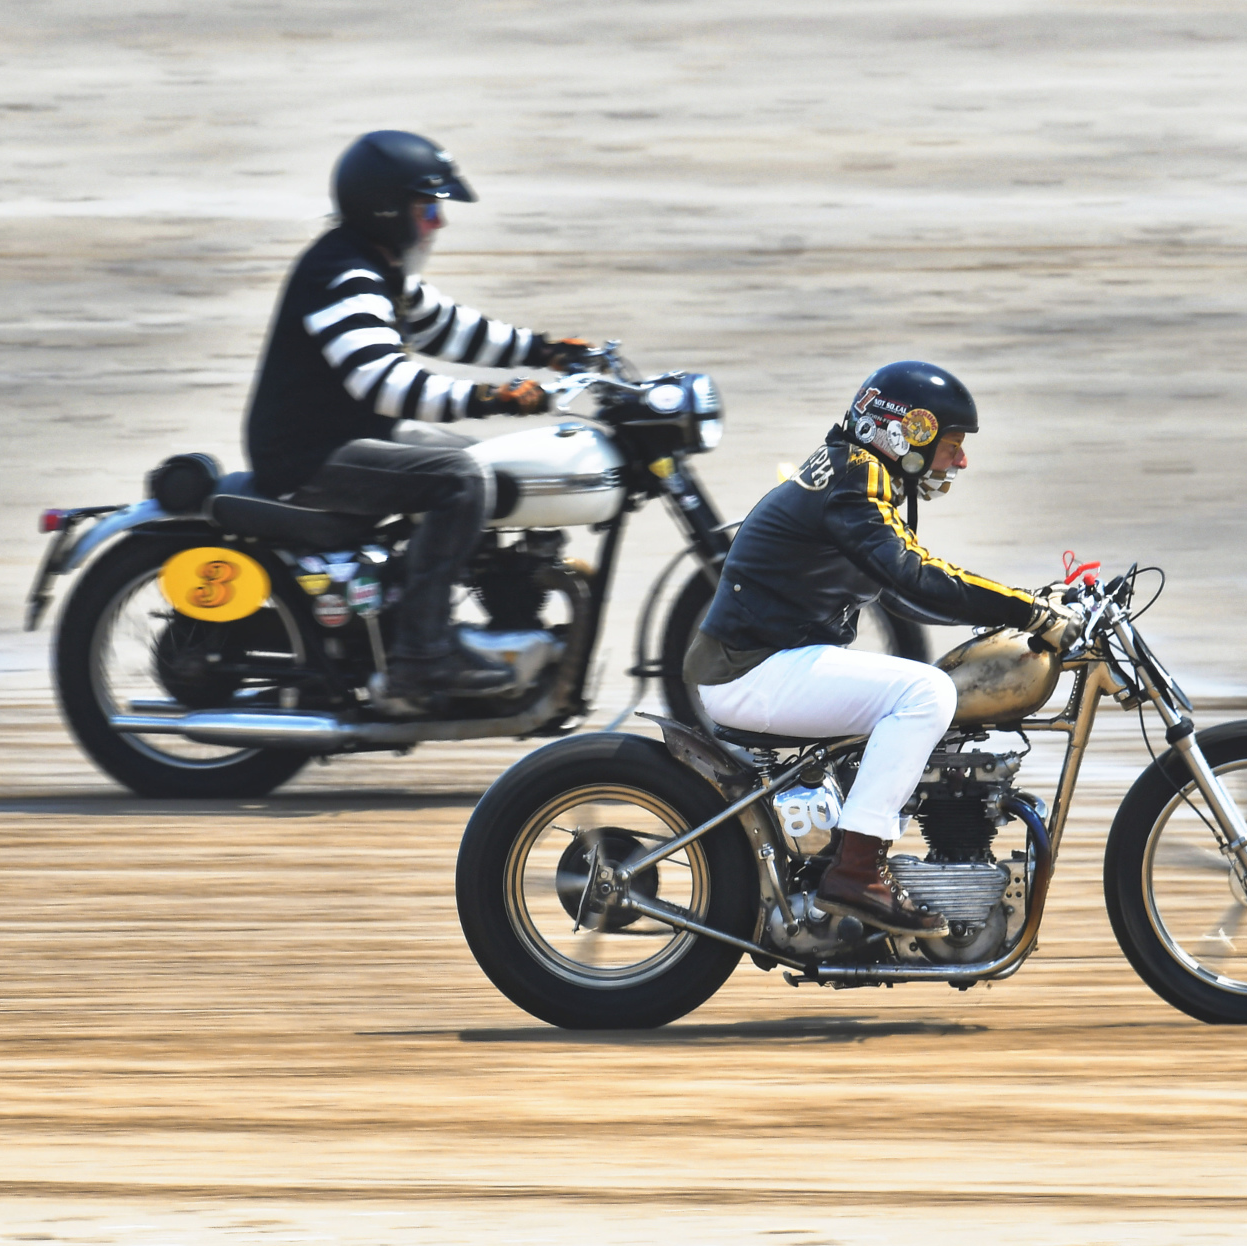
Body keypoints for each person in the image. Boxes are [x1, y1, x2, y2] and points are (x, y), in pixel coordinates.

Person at [684, 362, 1081, 937]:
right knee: (925, 693)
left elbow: (902, 590)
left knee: (923, 693)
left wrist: (1022, 605)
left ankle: (854, 851)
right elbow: (915, 575)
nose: (961, 460)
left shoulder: (859, 472)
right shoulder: (858, 477)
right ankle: (856, 869)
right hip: (753, 670)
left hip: (762, 662)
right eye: (951, 444)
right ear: (907, 432)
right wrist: (1028, 611)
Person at [244, 130, 596, 709]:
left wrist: (547, 350)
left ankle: (440, 609)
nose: (438, 223)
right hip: (309, 457)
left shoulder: (378, 265)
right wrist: (493, 398)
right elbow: (382, 383)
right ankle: (422, 660)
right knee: (461, 481)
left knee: (481, 464)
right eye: (428, 208)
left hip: (350, 438)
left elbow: (447, 327)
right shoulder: (345, 275)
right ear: (388, 211)